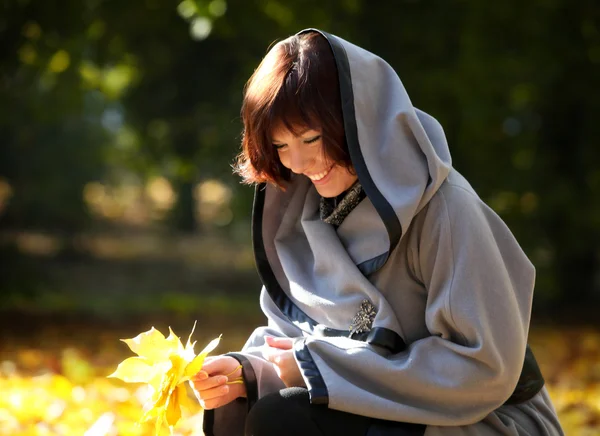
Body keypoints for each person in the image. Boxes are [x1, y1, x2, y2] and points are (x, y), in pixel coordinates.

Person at [192, 28, 564, 435]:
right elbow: (291, 338)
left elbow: (485, 368)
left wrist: (322, 368)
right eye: (280, 146)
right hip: (377, 410)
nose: (297, 162)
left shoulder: (445, 207)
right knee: (266, 411)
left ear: (359, 119)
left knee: (283, 417)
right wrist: (244, 371)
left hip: (480, 419)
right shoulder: (302, 207)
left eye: (310, 138)